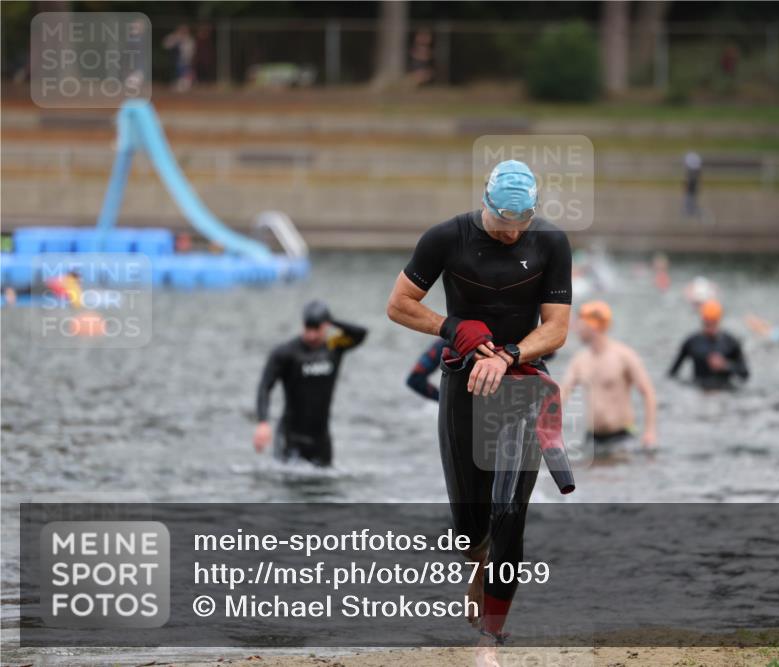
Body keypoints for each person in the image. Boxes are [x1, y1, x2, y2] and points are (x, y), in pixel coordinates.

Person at [386, 159, 572, 664]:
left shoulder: (551, 243)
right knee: (470, 524)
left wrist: (512, 354)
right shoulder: (446, 238)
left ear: (532, 215)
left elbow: (556, 328)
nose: (512, 234)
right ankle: (476, 560)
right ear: (486, 206)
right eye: (502, 224)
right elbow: (399, 303)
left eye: (521, 225)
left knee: (510, 510)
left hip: (520, 384)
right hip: (461, 383)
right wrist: (454, 329)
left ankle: (491, 635)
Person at [253, 300, 367, 467]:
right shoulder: (286, 353)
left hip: (321, 439)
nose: (312, 335)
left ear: (326, 326)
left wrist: (331, 320)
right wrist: (263, 421)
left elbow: (360, 334)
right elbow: (265, 386)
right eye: (308, 329)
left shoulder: (335, 346)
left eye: (317, 329)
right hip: (290, 437)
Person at [561, 301, 658, 452]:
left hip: (622, 437)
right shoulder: (579, 360)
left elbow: (648, 393)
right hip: (592, 439)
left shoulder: (624, 356)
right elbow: (562, 394)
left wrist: (650, 431)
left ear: (593, 325)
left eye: (580, 324)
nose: (576, 330)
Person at [668, 299, 749, 390]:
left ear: (719, 321)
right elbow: (672, 374)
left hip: (724, 391)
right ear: (702, 320)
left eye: (713, 323)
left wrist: (725, 365)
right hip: (699, 389)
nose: (710, 327)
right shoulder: (691, 342)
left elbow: (745, 374)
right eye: (707, 323)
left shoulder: (731, 342)